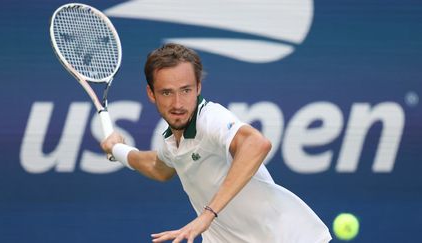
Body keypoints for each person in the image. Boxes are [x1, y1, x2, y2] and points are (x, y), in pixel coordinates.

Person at [100, 43, 332, 243]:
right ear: (151, 94)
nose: (178, 103)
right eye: (167, 93)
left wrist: (207, 215)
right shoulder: (171, 141)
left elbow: (256, 144)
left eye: (186, 90)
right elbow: (157, 167)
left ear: (198, 88)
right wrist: (117, 150)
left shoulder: (210, 118)